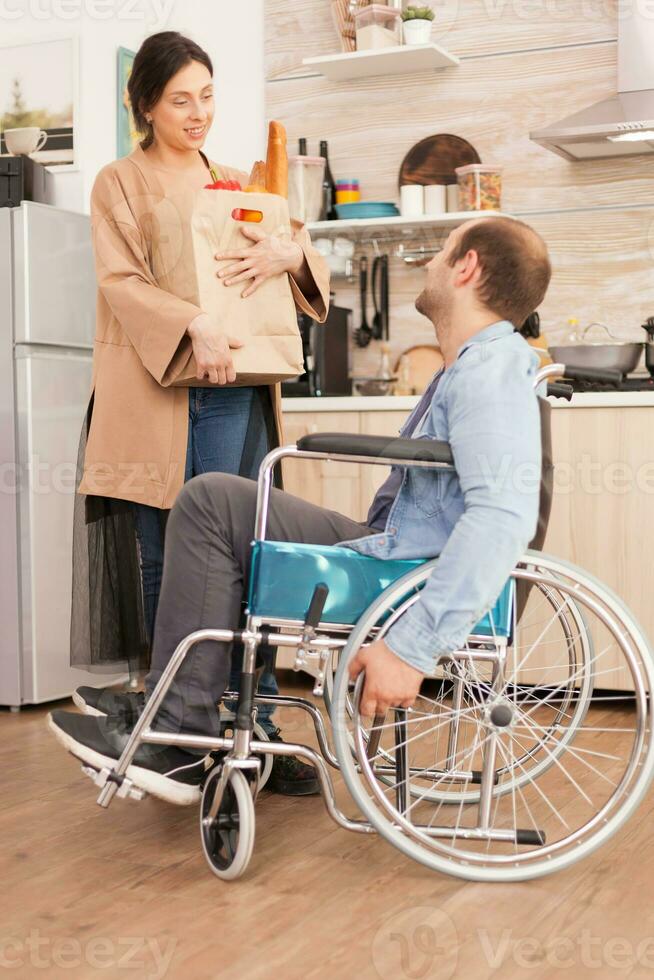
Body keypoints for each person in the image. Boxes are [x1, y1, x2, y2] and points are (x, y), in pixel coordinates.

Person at [51, 216, 552, 807]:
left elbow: (502, 515)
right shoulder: (476, 363)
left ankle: (181, 731)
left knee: (214, 501)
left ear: (467, 267)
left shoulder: (490, 369)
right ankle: (176, 706)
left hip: (405, 580)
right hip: (395, 551)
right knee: (223, 503)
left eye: (440, 253)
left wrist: (411, 648)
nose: (429, 264)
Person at [68, 31, 329, 796]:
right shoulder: (119, 183)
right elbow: (120, 282)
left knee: (251, 553)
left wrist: (291, 255)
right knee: (168, 559)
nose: (198, 112)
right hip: (160, 393)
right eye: (181, 99)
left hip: (238, 390)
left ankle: (263, 727)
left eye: (208, 95)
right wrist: (193, 322)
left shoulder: (241, 178)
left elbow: (302, 261)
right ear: (144, 104)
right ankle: (179, 727)